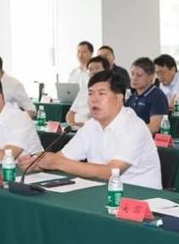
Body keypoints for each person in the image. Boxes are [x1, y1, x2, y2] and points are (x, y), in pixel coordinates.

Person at [18, 70, 162, 189]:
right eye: (90, 93)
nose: (94, 99)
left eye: (101, 94)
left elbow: (111, 172)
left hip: (140, 198)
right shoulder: (92, 125)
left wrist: (57, 162)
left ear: (119, 99)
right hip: (103, 190)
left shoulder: (134, 127)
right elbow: (63, 157)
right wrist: (38, 163)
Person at [125, 57, 168, 134]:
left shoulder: (157, 96)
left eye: (139, 75)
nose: (134, 78)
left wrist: (130, 133)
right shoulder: (132, 96)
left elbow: (154, 127)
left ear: (151, 76)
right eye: (132, 74)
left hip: (147, 139)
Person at [66, 56, 109, 127]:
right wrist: (72, 124)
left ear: (106, 71)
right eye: (90, 69)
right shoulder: (84, 88)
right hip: (77, 128)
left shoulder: (109, 91)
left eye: (97, 68)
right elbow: (70, 113)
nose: (93, 72)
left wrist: (84, 127)